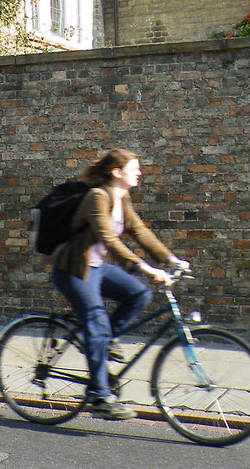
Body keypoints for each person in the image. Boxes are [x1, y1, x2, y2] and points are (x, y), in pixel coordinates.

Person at [51, 148, 189, 421]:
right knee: (97, 323)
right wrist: (144, 267)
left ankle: (103, 340)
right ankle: (100, 397)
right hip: (74, 270)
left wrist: (170, 259)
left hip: (96, 267)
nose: (139, 173)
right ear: (116, 172)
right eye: (134, 169)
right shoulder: (97, 196)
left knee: (139, 294)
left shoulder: (121, 197)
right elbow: (109, 239)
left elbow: (139, 230)